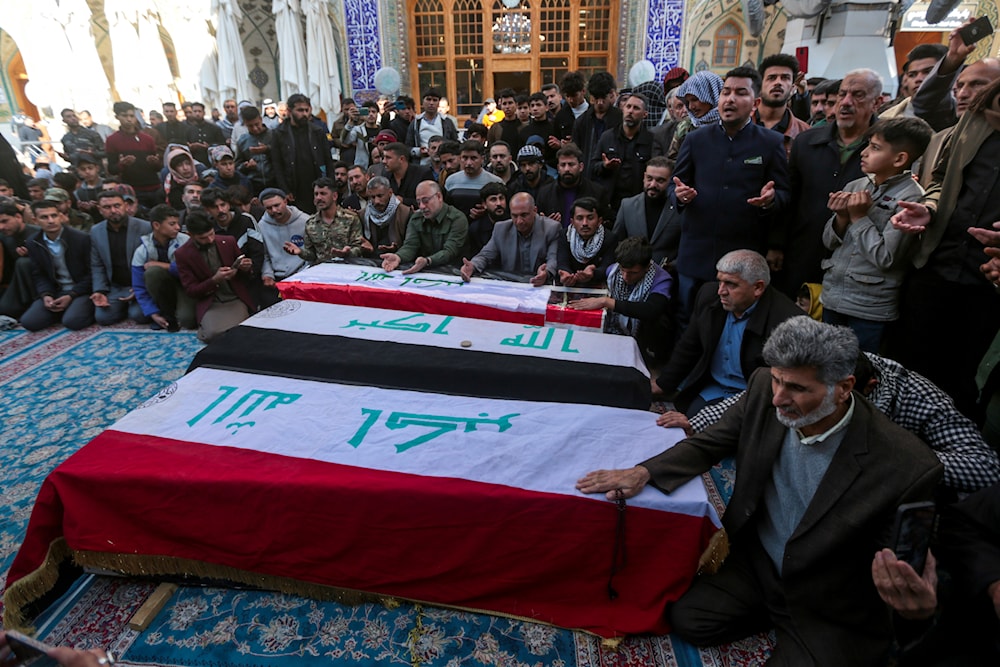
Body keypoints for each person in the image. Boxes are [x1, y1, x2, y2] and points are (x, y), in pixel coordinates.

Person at [577, 316, 943, 666]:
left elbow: (904, 577)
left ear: (844, 388)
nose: (778, 399)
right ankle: (773, 615)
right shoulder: (761, 387)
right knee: (689, 618)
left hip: (830, 597)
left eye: (797, 388)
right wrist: (644, 472)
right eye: (778, 381)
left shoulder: (906, 465)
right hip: (760, 563)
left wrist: (917, 608)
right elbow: (710, 443)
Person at [889, 77, 1000, 423]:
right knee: (911, 365)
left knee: (964, 382)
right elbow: (939, 178)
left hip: (988, 283)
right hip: (937, 264)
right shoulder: (976, 118)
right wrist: (931, 208)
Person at [671, 66, 790, 324]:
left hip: (742, 255)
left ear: (755, 102)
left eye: (740, 93)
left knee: (732, 322)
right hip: (696, 252)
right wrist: (680, 195)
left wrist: (771, 200)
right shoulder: (696, 140)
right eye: (726, 92)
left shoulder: (770, 143)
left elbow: (784, 194)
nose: (730, 99)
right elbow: (675, 186)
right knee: (687, 318)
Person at [820, 116, 932, 352]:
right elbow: (829, 243)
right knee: (826, 365)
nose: (864, 152)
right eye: (868, 144)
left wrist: (859, 217)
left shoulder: (911, 198)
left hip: (870, 307)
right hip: (834, 296)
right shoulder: (856, 186)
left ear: (900, 159)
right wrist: (841, 217)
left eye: (875, 148)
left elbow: (886, 258)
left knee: (862, 373)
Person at [652, 249, 800, 415]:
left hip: (756, 398)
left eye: (731, 284)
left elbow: (778, 384)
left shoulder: (788, 322)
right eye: (720, 281)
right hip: (712, 388)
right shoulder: (709, 297)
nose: (721, 291)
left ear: (758, 288)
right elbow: (689, 346)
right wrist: (663, 384)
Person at [778, 68, 881, 297]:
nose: (846, 103)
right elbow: (790, 198)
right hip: (803, 252)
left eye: (858, 95)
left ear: (877, 102)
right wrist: (776, 245)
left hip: (859, 263)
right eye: (842, 94)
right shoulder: (806, 142)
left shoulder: (889, 148)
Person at [569, 236, 673, 362]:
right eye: (623, 270)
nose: (625, 277)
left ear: (646, 268)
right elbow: (600, 273)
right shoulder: (615, 270)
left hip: (647, 337)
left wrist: (606, 301)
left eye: (633, 273)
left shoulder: (662, 279)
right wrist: (588, 276)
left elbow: (651, 310)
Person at [175, 209, 255, 342]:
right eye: (203, 238)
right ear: (190, 235)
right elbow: (191, 290)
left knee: (242, 331)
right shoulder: (183, 254)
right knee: (213, 334)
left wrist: (244, 268)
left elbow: (246, 275)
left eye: (211, 234)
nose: (210, 239)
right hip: (211, 300)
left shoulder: (228, 241)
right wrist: (214, 280)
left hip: (233, 297)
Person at [22, 199, 94, 331]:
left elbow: (93, 272)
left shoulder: (81, 238)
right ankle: (60, 309)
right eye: (44, 217)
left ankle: (73, 309)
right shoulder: (34, 242)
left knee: (73, 322)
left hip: (81, 290)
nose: (51, 221)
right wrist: (46, 295)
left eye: (54, 215)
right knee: (29, 322)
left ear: (60, 216)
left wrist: (72, 294)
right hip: (56, 290)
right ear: (35, 220)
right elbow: (39, 274)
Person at [461, 192, 559, 286]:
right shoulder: (501, 229)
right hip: (511, 286)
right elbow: (485, 255)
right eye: (514, 216)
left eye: (524, 215)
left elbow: (553, 259)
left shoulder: (551, 228)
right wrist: (472, 266)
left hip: (539, 286)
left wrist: (546, 272)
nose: (519, 221)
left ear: (535, 211)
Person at [89, 190, 152, 325]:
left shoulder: (145, 227)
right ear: (99, 210)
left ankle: (132, 305)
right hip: (116, 287)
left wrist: (140, 287)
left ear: (125, 206)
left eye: (117, 206)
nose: (113, 210)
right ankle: (123, 305)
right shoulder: (96, 231)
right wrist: (99, 290)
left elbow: (151, 261)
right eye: (107, 207)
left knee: (139, 316)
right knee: (103, 318)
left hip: (139, 284)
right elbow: (97, 264)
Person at [130, 203, 194, 331]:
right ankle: (165, 313)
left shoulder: (185, 241)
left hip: (185, 286)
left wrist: (163, 265)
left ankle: (179, 310)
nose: (177, 227)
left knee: (188, 320)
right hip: (160, 293)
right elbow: (139, 286)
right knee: (152, 273)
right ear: (156, 225)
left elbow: (191, 271)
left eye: (177, 223)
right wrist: (153, 314)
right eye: (172, 224)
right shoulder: (142, 250)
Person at [380, 181, 467, 274]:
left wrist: (428, 261)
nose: (422, 206)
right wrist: (398, 257)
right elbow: (410, 245)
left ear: (439, 197)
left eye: (426, 201)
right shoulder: (416, 218)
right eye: (418, 202)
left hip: (453, 272)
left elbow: (450, 251)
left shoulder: (457, 219)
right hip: (424, 271)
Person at [270, 93, 337, 214]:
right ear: (290, 111)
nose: (304, 114)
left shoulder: (318, 131)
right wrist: (285, 189)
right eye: (300, 110)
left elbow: (328, 160)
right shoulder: (279, 133)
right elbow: (276, 164)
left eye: (307, 110)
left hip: (316, 184)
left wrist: (330, 185)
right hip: (294, 187)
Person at [590, 92, 654, 209]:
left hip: (639, 203)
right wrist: (605, 166)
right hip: (611, 203)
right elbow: (593, 166)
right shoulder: (608, 137)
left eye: (636, 108)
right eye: (628, 107)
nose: (630, 111)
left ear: (644, 114)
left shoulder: (651, 140)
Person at [612, 156, 679, 265]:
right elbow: (616, 242)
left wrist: (673, 265)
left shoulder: (679, 209)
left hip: (669, 274)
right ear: (644, 177)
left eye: (660, 180)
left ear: (671, 181)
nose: (653, 185)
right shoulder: (627, 206)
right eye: (649, 178)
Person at [284, 177, 364, 262]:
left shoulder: (350, 218)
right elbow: (312, 255)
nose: (319, 198)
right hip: (322, 270)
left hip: (347, 267)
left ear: (334, 196)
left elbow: (359, 247)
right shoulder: (311, 223)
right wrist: (300, 252)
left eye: (323, 194)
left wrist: (347, 253)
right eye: (316, 194)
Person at [105, 101, 162, 209]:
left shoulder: (147, 139)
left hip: (154, 187)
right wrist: (122, 164)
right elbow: (111, 169)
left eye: (131, 116)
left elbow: (158, 167)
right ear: (117, 117)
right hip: (132, 191)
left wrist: (155, 162)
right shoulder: (112, 140)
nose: (129, 119)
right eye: (124, 116)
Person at [257, 188, 309, 305]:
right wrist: (267, 274)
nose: (274, 210)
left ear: (285, 201)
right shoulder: (262, 225)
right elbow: (264, 254)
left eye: (277, 205)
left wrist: (303, 274)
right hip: (277, 277)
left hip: (301, 275)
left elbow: (311, 252)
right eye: (269, 208)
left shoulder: (305, 221)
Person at [535, 143, 607, 227]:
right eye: (563, 165)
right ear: (558, 168)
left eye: (571, 164)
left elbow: (605, 224)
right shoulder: (545, 193)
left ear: (581, 167)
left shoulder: (597, 192)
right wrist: (547, 225)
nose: (567, 169)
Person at [754, 54, 812, 159]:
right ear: (760, 85)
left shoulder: (805, 133)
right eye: (771, 78)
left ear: (793, 87)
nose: (778, 82)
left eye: (785, 78)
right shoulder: (738, 126)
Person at [556, 196, 616, 287]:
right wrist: (565, 274)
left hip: (598, 285)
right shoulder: (564, 235)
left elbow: (608, 267)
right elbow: (562, 262)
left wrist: (593, 273)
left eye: (590, 218)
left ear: (599, 221)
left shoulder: (609, 238)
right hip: (570, 286)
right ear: (572, 222)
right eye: (580, 218)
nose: (585, 223)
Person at [572, 72, 622, 173]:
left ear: (611, 95)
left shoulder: (620, 119)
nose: (599, 102)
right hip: (587, 176)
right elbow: (576, 152)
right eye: (596, 98)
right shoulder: (582, 122)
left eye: (603, 98)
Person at [444, 140, 504, 221]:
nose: (468, 163)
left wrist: (487, 211)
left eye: (473, 158)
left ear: (482, 159)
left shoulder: (495, 181)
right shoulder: (451, 181)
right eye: (465, 158)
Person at [0, 201, 40, 320]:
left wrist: (34, 255)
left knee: (24, 263)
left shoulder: (39, 234)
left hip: (42, 284)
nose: (1, 227)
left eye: (4, 221)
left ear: (18, 217)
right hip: (17, 284)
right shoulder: (3, 236)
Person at [405, 88, 459, 167]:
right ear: (423, 101)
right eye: (428, 99)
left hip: (444, 165)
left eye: (434, 100)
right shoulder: (416, 123)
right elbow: (407, 146)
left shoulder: (447, 122)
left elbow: (455, 144)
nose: (431, 103)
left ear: (438, 103)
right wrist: (419, 151)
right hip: (422, 165)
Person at [361, 175, 410, 257]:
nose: (376, 201)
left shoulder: (405, 213)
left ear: (390, 193)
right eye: (373, 197)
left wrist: (397, 249)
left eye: (380, 196)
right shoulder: (363, 215)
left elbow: (411, 245)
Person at [235, 105, 274, 195]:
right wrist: (245, 166)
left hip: (275, 182)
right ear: (245, 124)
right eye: (250, 126)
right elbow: (237, 165)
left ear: (261, 119)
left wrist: (267, 150)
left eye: (257, 124)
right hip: (254, 185)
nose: (255, 128)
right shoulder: (242, 141)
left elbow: (283, 157)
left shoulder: (274, 135)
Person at [381, 142, 433, 208]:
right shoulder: (385, 175)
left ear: (401, 159)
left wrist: (404, 201)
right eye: (383, 157)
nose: (384, 161)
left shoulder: (422, 174)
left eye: (388, 158)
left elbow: (430, 201)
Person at [184, 101, 226, 166]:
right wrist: (190, 146)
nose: (197, 114)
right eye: (195, 111)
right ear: (192, 113)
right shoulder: (187, 130)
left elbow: (222, 144)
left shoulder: (214, 128)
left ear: (204, 113)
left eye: (199, 111)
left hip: (212, 161)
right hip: (195, 162)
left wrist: (209, 146)